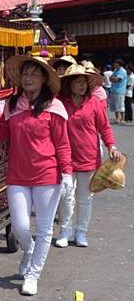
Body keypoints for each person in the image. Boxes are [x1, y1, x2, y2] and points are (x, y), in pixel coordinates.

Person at [0, 55, 72, 296]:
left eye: (34, 74)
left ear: (44, 79)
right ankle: (30, 250)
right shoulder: (12, 105)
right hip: (17, 175)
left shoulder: (54, 107)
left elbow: (63, 145)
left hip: (48, 174)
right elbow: (2, 133)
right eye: (25, 74)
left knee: (44, 229)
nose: (28, 78)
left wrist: (66, 174)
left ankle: (33, 274)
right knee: (21, 226)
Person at [56, 64, 122, 248]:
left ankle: (81, 231)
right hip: (65, 158)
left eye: (84, 82)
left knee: (85, 197)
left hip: (88, 156)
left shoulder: (94, 102)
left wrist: (112, 146)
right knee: (65, 196)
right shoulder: (60, 102)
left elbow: (104, 128)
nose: (82, 85)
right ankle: (65, 231)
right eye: (78, 81)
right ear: (69, 84)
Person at [109, 59, 127, 124]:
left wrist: (113, 78)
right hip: (113, 90)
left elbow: (117, 80)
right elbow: (110, 78)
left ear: (119, 64)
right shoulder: (115, 70)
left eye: (115, 63)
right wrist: (113, 78)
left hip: (120, 91)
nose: (114, 65)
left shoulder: (123, 71)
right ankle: (117, 118)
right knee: (114, 105)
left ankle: (123, 118)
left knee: (120, 105)